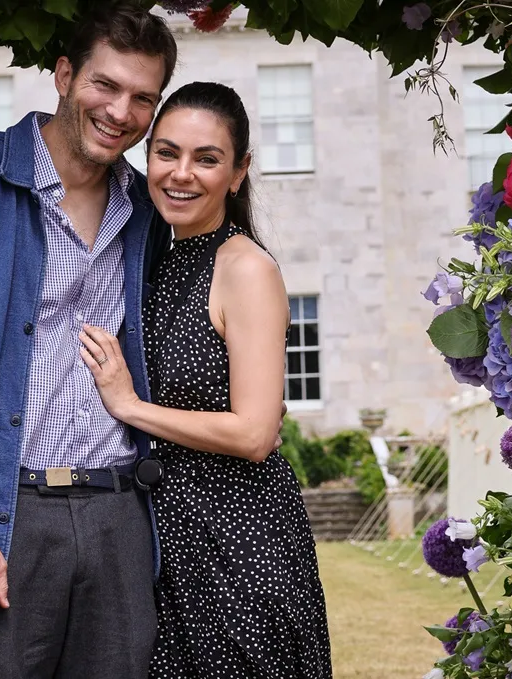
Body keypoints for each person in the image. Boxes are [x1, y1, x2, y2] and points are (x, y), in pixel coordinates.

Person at [0, 4, 177, 677]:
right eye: (104, 85)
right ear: (63, 74)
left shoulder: (148, 211)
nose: (120, 111)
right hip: (1, 514)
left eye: (143, 98)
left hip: (118, 518)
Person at [79, 82, 333, 678]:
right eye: (166, 153)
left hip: (243, 548)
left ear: (239, 172)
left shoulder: (245, 267)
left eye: (207, 158)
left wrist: (129, 405)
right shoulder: (157, 262)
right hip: (174, 547)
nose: (181, 174)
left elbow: (253, 433)